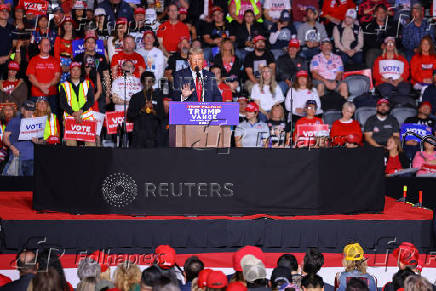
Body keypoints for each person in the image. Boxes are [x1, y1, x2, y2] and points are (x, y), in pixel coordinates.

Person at [59, 62, 96, 147]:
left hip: (86, 116)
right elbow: (62, 103)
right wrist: (73, 113)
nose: (75, 72)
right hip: (70, 117)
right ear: (70, 71)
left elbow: (91, 100)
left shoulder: (87, 83)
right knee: (71, 144)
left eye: (78, 69)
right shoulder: (63, 85)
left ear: (80, 71)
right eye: (73, 70)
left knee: (91, 144)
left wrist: (81, 111)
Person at [74, 30, 112, 111]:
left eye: (93, 42)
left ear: (95, 44)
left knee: (100, 116)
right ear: (84, 45)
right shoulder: (78, 57)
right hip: (82, 90)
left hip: (100, 89)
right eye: (88, 42)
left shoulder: (101, 57)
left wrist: (108, 95)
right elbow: (73, 75)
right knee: (84, 115)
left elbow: (106, 75)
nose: (91, 45)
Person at [127, 71, 164, 148]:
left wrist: (153, 111)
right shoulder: (135, 97)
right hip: (139, 135)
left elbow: (162, 116)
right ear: (142, 82)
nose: (149, 83)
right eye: (146, 81)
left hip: (154, 135)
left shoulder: (158, 97)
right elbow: (130, 116)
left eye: (151, 81)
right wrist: (141, 110)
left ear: (153, 82)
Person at [26, 38, 61, 116]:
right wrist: (41, 87)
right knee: (35, 119)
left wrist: (47, 86)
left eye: (48, 44)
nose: (46, 46)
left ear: (50, 47)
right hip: (36, 95)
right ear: (39, 46)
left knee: (52, 118)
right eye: (44, 44)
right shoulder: (34, 60)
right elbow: (30, 77)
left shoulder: (55, 61)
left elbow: (57, 77)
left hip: (51, 95)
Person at [2, 101, 36, 176]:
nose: (30, 112)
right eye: (27, 109)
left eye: (32, 110)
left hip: (32, 159)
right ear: (22, 110)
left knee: (30, 185)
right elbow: (5, 137)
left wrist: (37, 141)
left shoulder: (36, 122)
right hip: (17, 157)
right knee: (9, 184)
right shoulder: (14, 121)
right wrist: (12, 147)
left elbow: (40, 141)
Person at [373, 37, 411, 104]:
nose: (390, 45)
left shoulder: (401, 59)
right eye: (388, 43)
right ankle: (389, 104)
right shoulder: (379, 59)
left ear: (394, 46)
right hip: (384, 81)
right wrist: (387, 80)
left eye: (392, 43)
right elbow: (376, 74)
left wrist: (398, 80)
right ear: (384, 46)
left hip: (399, 81)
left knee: (404, 90)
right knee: (386, 90)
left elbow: (406, 72)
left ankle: (400, 105)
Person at [363, 4, 398, 69]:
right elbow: (368, 41)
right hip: (376, 49)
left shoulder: (392, 25)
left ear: (386, 14)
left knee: (401, 53)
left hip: (390, 48)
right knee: (371, 53)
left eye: (383, 12)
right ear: (375, 14)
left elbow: (396, 37)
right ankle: (370, 76)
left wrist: (390, 44)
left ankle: (398, 77)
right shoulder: (369, 26)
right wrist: (380, 45)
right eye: (379, 12)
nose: (381, 15)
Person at [54, 16, 76, 83]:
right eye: (65, 24)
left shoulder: (76, 40)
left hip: (73, 66)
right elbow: (56, 54)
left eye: (69, 24)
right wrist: (61, 66)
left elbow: (78, 55)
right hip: (60, 65)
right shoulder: (58, 39)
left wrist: (72, 66)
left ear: (72, 26)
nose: (67, 26)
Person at [0, 4, 14, 79]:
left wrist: (8, 57)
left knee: (7, 87)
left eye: (6, 11)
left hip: (8, 63)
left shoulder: (12, 28)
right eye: (2, 11)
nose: (4, 12)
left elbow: (14, 46)